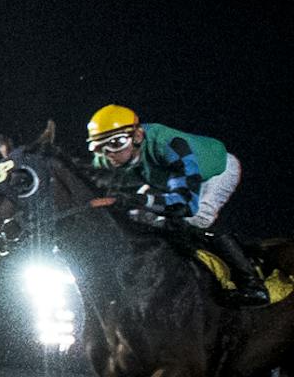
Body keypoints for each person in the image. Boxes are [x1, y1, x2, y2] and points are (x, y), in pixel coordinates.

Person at [87, 104, 268, 306]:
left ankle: (254, 286)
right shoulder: (106, 159)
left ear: (137, 136)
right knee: (142, 217)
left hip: (214, 173)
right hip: (165, 178)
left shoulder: (169, 144)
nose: (108, 154)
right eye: (99, 147)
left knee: (196, 219)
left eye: (116, 143)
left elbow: (185, 204)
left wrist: (136, 200)